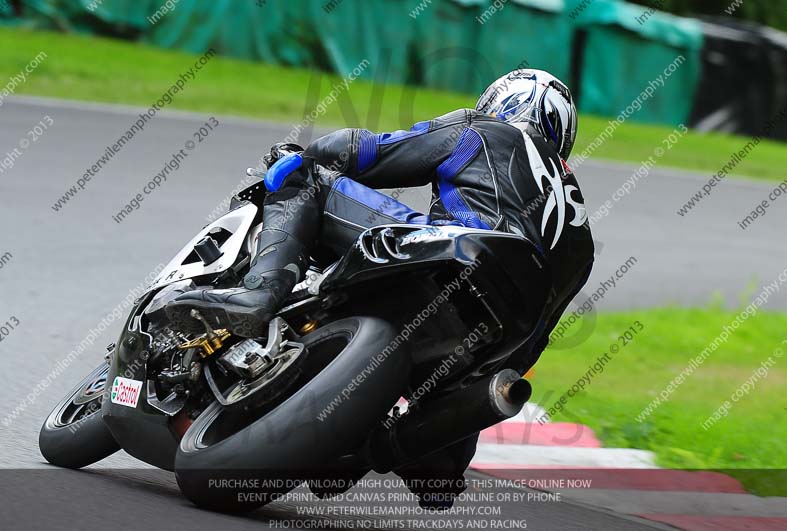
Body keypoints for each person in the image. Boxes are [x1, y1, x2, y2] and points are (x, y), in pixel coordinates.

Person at [166, 68, 595, 508]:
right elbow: (528, 350)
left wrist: (305, 154)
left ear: (502, 103)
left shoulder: (483, 130)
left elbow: (364, 152)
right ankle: (399, 451)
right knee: (440, 460)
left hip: (456, 253)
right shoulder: (582, 242)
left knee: (302, 176)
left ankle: (260, 292)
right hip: (496, 335)